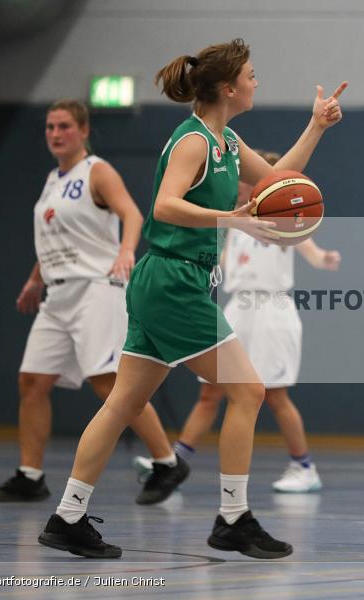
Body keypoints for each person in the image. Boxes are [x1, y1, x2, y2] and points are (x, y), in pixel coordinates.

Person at [37, 39, 346, 560]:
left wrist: (316, 125)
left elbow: (276, 180)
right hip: (173, 279)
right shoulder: (194, 142)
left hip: (172, 280)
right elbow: (165, 205)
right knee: (248, 390)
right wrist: (232, 218)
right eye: (251, 74)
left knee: (124, 403)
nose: (256, 81)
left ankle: (67, 516)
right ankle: (233, 517)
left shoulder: (225, 141)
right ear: (228, 88)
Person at [0, 99, 188, 506]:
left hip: (97, 288)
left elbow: (132, 215)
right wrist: (33, 279)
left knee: (110, 383)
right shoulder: (52, 181)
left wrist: (126, 251)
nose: (55, 134)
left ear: (83, 130)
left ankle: (167, 462)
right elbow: (55, 240)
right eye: (49, 127)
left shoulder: (97, 171)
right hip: (58, 293)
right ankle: (30, 475)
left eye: (63, 126)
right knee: (32, 381)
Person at [134, 150, 341, 494]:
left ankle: (304, 466)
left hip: (271, 310)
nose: (241, 184)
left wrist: (324, 258)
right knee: (209, 392)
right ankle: (175, 462)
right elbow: (224, 260)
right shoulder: (234, 222)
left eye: (248, 179)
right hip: (237, 310)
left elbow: (310, 249)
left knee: (275, 395)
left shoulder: (283, 217)